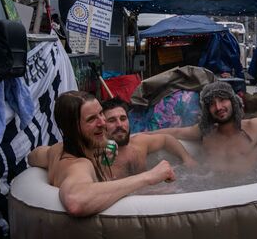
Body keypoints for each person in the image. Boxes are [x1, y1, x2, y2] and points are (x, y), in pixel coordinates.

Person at [27, 91, 175, 216]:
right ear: (72, 128)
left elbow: (33, 156)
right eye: (91, 119)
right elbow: (75, 201)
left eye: (100, 114)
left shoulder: (56, 150)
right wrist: (150, 177)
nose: (102, 123)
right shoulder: (79, 165)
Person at [151, 81, 257, 173]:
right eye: (212, 104)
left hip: (250, 190)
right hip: (209, 188)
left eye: (222, 100)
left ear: (233, 102)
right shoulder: (205, 132)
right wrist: (137, 136)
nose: (218, 107)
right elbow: (175, 132)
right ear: (207, 110)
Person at [101, 97, 197, 179]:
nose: (119, 125)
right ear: (102, 125)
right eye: (112, 120)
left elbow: (166, 139)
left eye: (123, 119)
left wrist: (187, 158)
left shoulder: (139, 143)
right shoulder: (99, 158)